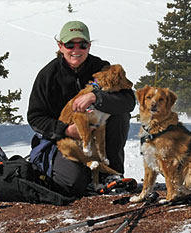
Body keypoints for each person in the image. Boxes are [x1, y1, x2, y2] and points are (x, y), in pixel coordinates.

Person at [27, 21, 135, 198]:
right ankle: (77, 173)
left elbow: (128, 101)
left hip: (99, 136)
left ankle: (112, 174)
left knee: (120, 114)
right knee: (73, 184)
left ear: (89, 46)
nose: (76, 50)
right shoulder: (48, 75)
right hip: (64, 141)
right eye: (70, 44)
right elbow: (35, 117)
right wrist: (66, 130)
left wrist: (96, 97)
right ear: (60, 46)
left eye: (82, 45)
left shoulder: (102, 68)